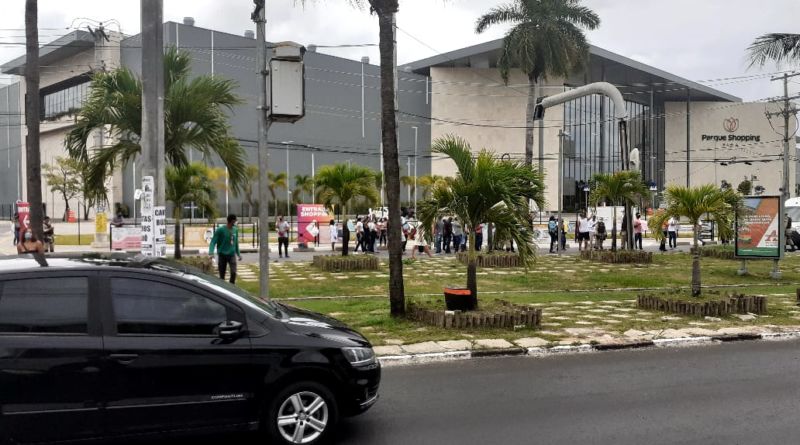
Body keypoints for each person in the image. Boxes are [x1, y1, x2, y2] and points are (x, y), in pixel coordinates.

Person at [208, 214, 242, 284]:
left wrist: (238, 254)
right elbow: (213, 242)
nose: (236, 222)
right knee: (222, 276)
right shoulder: (220, 230)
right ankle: (223, 289)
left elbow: (236, 243)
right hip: (222, 255)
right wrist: (211, 252)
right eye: (235, 220)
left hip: (231, 255)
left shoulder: (235, 230)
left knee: (233, 272)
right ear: (232, 221)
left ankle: (231, 286)